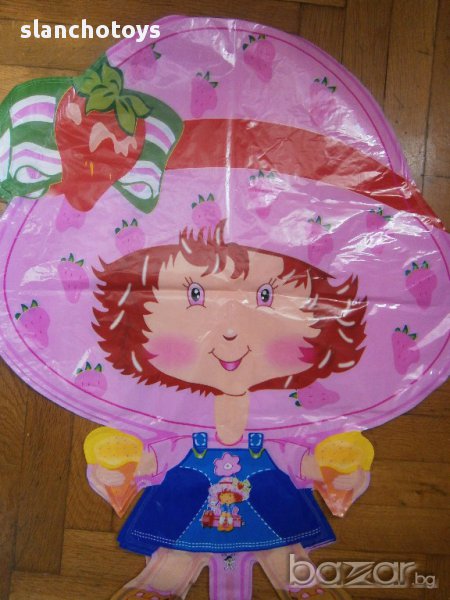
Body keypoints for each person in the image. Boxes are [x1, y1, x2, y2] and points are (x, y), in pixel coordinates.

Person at [89, 220, 369, 600]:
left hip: (269, 499)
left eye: (266, 295)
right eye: (194, 294)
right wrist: (121, 468)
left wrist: (334, 472)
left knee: (285, 552)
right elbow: (158, 455)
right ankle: (158, 587)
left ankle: (304, 588)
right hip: (188, 502)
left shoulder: (283, 419)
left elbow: (295, 457)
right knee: (175, 556)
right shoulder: (175, 416)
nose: (231, 331)